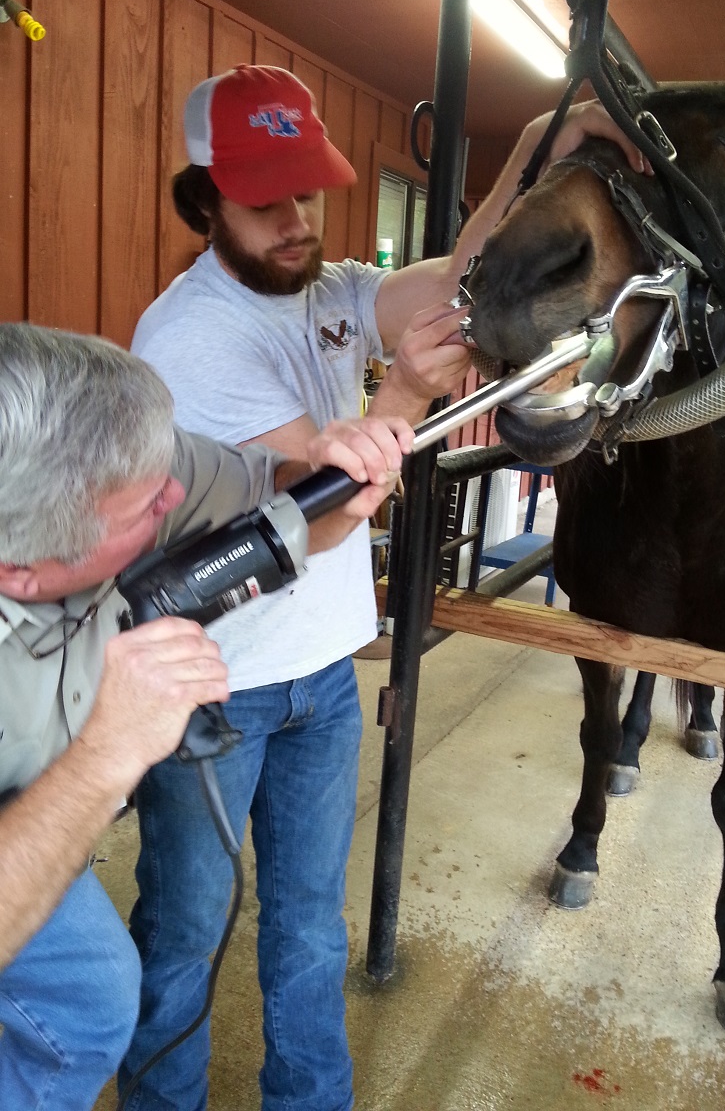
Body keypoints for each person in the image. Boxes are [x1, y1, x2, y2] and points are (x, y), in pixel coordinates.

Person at [123, 64, 647, 1111]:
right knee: (185, 930)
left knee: (312, 925)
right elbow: (314, 511)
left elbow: (462, 280)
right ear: (202, 203)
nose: (296, 219)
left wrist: (534, 145)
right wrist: (404, 389)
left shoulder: (321, 292)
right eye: (264, 200)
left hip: (318, 675)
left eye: (306, 191)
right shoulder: (189, 336)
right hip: (212, 691)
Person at [0, 321, 414, 1111]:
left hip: (28, 789)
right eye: (148, 509)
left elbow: (285, 501)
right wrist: (105, 756)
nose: (178, 497)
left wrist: (331, 476)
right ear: (22, 569)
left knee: (92, 998)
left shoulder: (130, 464)